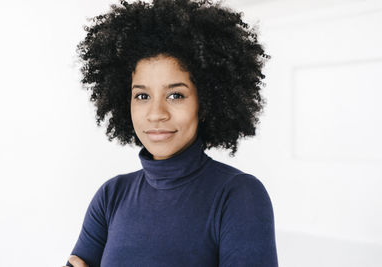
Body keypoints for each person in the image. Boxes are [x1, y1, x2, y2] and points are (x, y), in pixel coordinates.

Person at [64, 0, 277, 266]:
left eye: (175, 95)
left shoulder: (238, 196)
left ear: (207, 101)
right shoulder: (111, 196)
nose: (156, 113)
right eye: (142, 95)